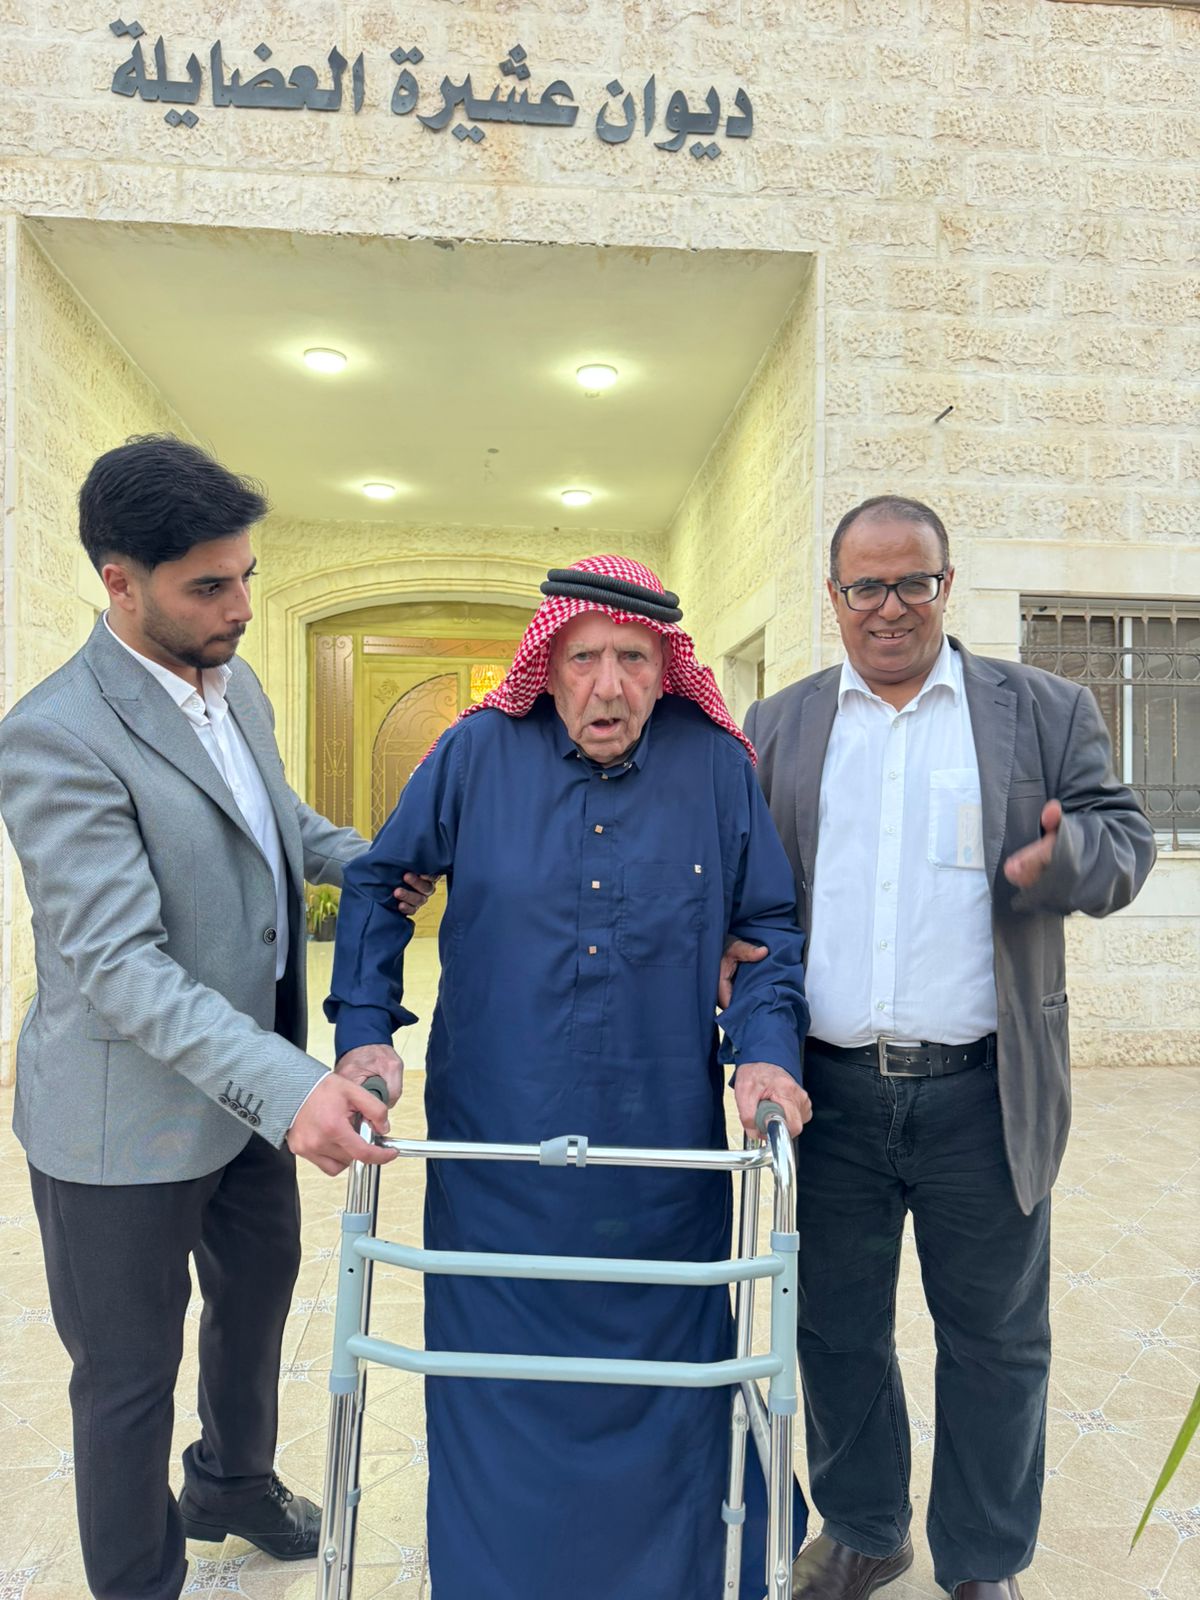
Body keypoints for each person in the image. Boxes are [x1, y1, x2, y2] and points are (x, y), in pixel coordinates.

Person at [326, 554, 812, 1600]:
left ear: (666, 670)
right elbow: (379, 886)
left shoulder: (715, 768)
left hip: (660, 1167)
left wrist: (767, 1054)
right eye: (585, 658)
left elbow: (765, 928)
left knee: (669, 1389)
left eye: (634, 660)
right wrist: (366, 1032)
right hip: (497, 1161)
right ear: (545, 666)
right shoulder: (473, 756)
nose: (609, 687)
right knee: (498, 1389)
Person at [0, 435, 415, 1600]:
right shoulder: (57, 734)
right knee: (127, 1377)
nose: (238, 606)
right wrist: (292, 1087)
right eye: (208, 586)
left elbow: (284, 830)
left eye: (246, 578)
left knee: (254, 1304)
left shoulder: (239, 687)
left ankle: (232, 1482)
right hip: (120, 1124)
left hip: (243, 1099)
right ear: (119, 581)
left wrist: (407, 866)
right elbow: (120, 966)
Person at [732, 496, 1155, 1600]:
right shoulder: (780, 724)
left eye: (913, 582)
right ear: (834, 597)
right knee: (836, 1332)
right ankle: (867, 1528)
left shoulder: (1042, 708)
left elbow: (1125, 840)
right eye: (866, 586)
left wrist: (1066, 861)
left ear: (946, 585)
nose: (891, 607)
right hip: (829, 1093)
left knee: (997, 1341)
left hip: (983, 1090)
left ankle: (983, 1559)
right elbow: (744, 882)